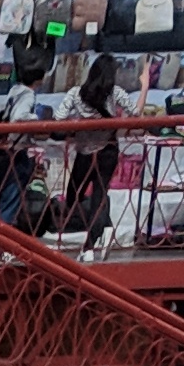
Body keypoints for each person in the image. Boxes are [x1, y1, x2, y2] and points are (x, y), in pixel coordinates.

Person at [62, 51, 122, 248]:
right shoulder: (113, 95)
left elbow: (65, 117)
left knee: (88, 195)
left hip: (90, 151)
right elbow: (135, 114)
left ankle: (91, 242)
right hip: (104, 150)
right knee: (92, 195)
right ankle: (104, 226)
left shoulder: (82, 94)